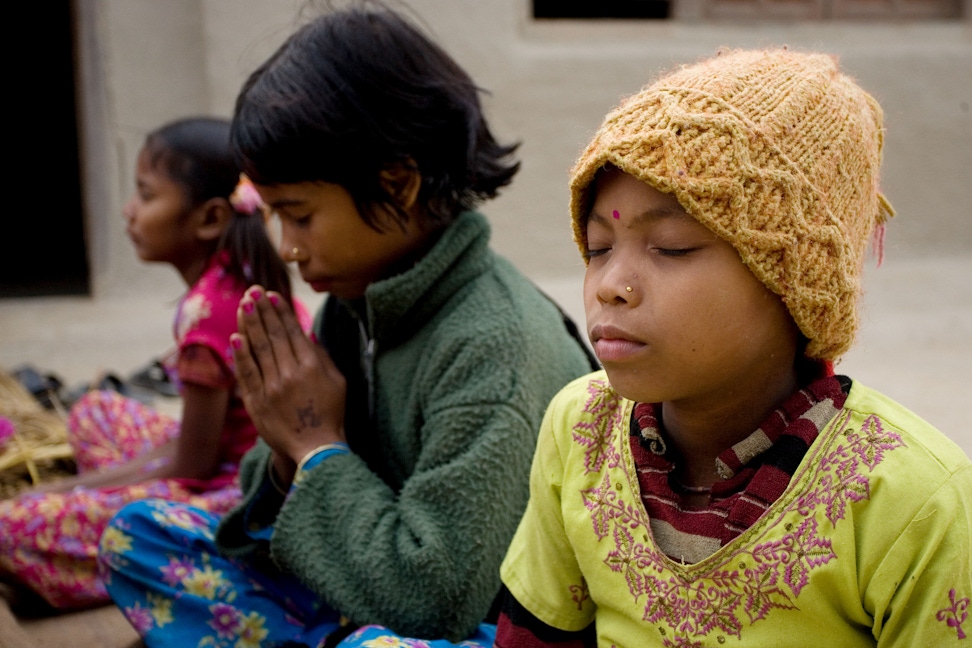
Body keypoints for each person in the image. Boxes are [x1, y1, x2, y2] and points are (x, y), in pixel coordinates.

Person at [97, 5, 596, 647]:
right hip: (359, 590)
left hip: (474, 628)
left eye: (300, 216)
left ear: (398, 185)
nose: (289, 246)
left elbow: (435, 600)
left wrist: (314, 448)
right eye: (275, 215)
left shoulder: (495, 349)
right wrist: (282, 447)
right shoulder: (356, 301)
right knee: (137, 536)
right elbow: (272, 516)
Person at [495, 48, 972, 646]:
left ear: (794, 283)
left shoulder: (912, 502)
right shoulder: (581, 428)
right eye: (597, 246)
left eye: (670, 247)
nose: (610, 286)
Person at [0, 116, 309, 610]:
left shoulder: (209, 318)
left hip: (241, 499)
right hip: (241, 465)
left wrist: (68, 488)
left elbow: (191, 465)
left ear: (209, 218)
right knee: (95, 411)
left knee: (12, 527)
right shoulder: (241, 276)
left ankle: (121, 565)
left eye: (145, 196)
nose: (129, 211)